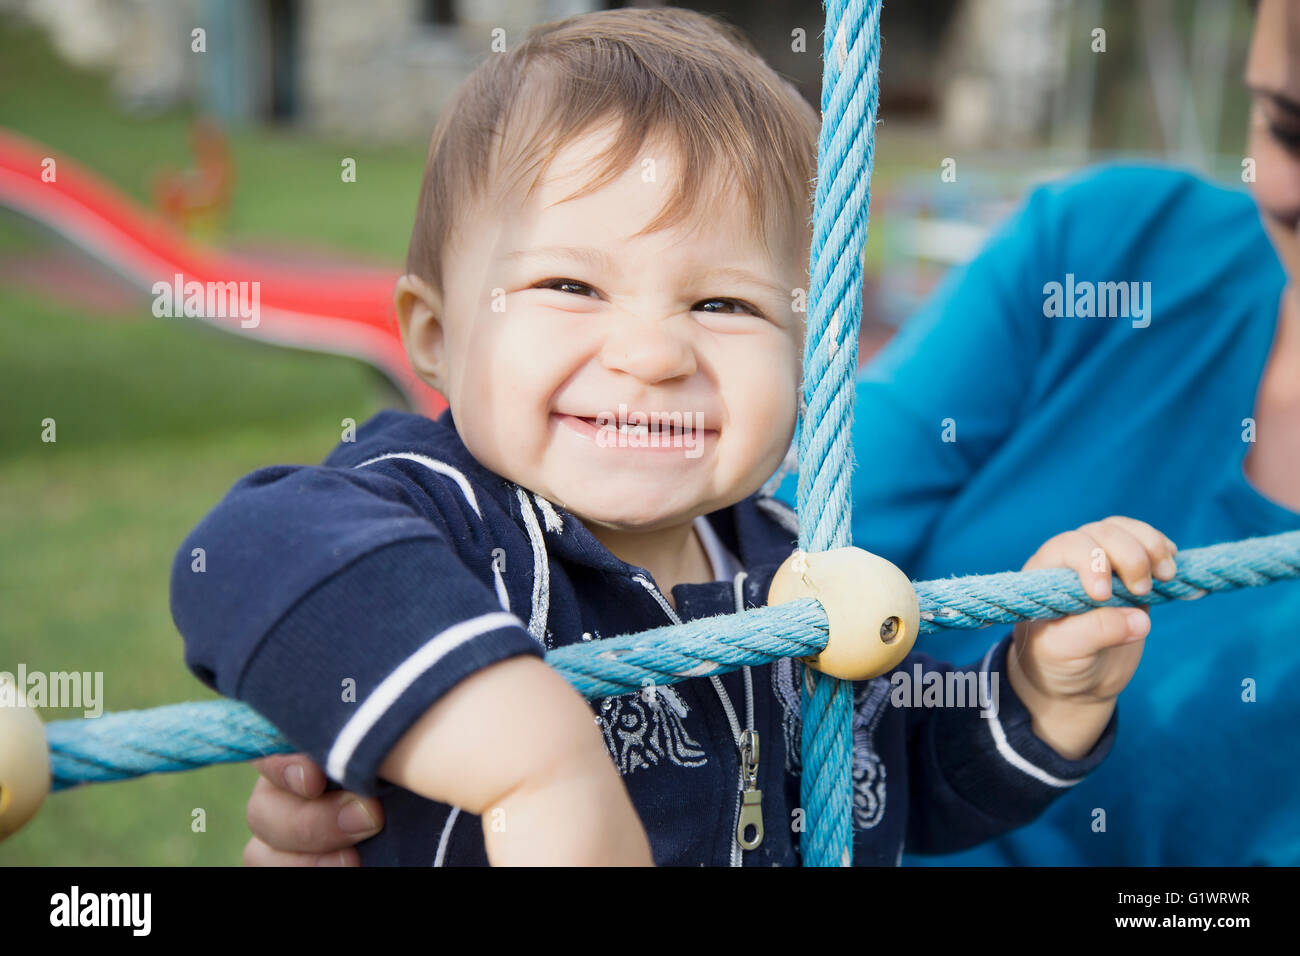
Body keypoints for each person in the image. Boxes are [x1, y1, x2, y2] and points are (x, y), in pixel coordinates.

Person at [172, 6, 1176, 866]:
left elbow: (898, 784)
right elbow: (249, 552)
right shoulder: (443, 515)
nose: (653, 354)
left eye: (726, 303)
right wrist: (534, 754)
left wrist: (1039, 690)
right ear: (436, 334)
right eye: (570, 285)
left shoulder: (792, 560)